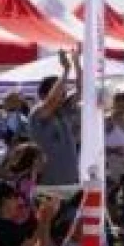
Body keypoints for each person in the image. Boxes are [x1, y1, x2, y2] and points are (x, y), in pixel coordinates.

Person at [29, 51, 83, 196]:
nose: (62, 97)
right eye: (59, 92)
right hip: (48, 187)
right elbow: (51, 101)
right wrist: (66, 71)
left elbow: (81, 90)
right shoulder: (37, 113)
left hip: (70, 184)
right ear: (42, 95)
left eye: (63, 93)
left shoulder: (63, 112)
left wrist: (77, 63)